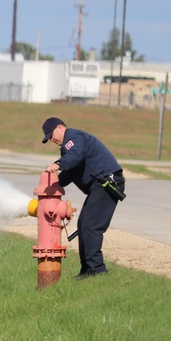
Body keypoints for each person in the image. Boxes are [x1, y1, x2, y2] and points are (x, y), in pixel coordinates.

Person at [41, 117, 125, 278]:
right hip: (99, 185)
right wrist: (53, 186)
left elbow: (76, 155)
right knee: (84, 224)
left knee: (91, 226)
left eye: (51, 135)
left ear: (60, 127)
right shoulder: (67, 147)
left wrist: (58, 164)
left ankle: (97, 270)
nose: (52, 140)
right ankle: (87, 270)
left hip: (107, 182)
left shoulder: (73, 138)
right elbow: (71, 171)